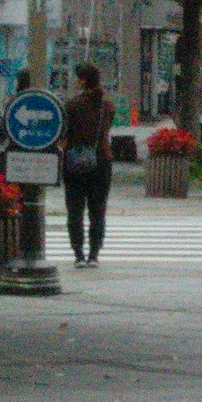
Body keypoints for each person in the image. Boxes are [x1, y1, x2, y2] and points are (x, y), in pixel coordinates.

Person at [59, 60, 115, 266]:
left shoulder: (72, 105)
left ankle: (78, 254)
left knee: (75, 210)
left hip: (74, 160)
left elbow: (65, 132)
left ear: (82, 81)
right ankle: (94, 254)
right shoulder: (107, 105)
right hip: (101, 160)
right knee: (98, 209)